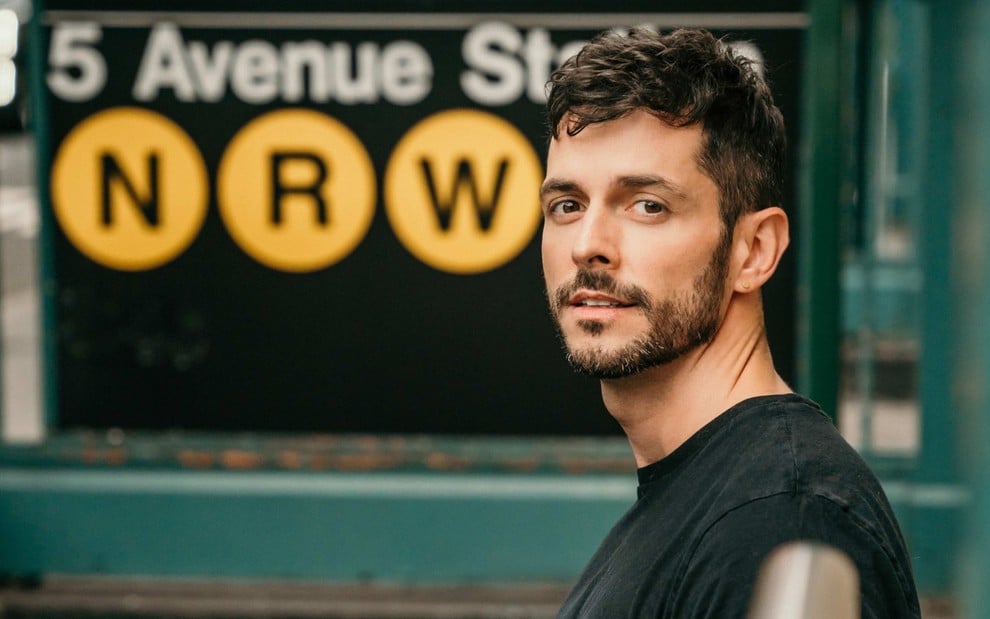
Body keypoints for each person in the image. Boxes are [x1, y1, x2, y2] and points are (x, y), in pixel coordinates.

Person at [540, 28, 920, 618]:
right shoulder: (720, 499)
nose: (589, 245)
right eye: (567, 205)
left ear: (754, 251)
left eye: (648, 205)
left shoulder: (781, 521)